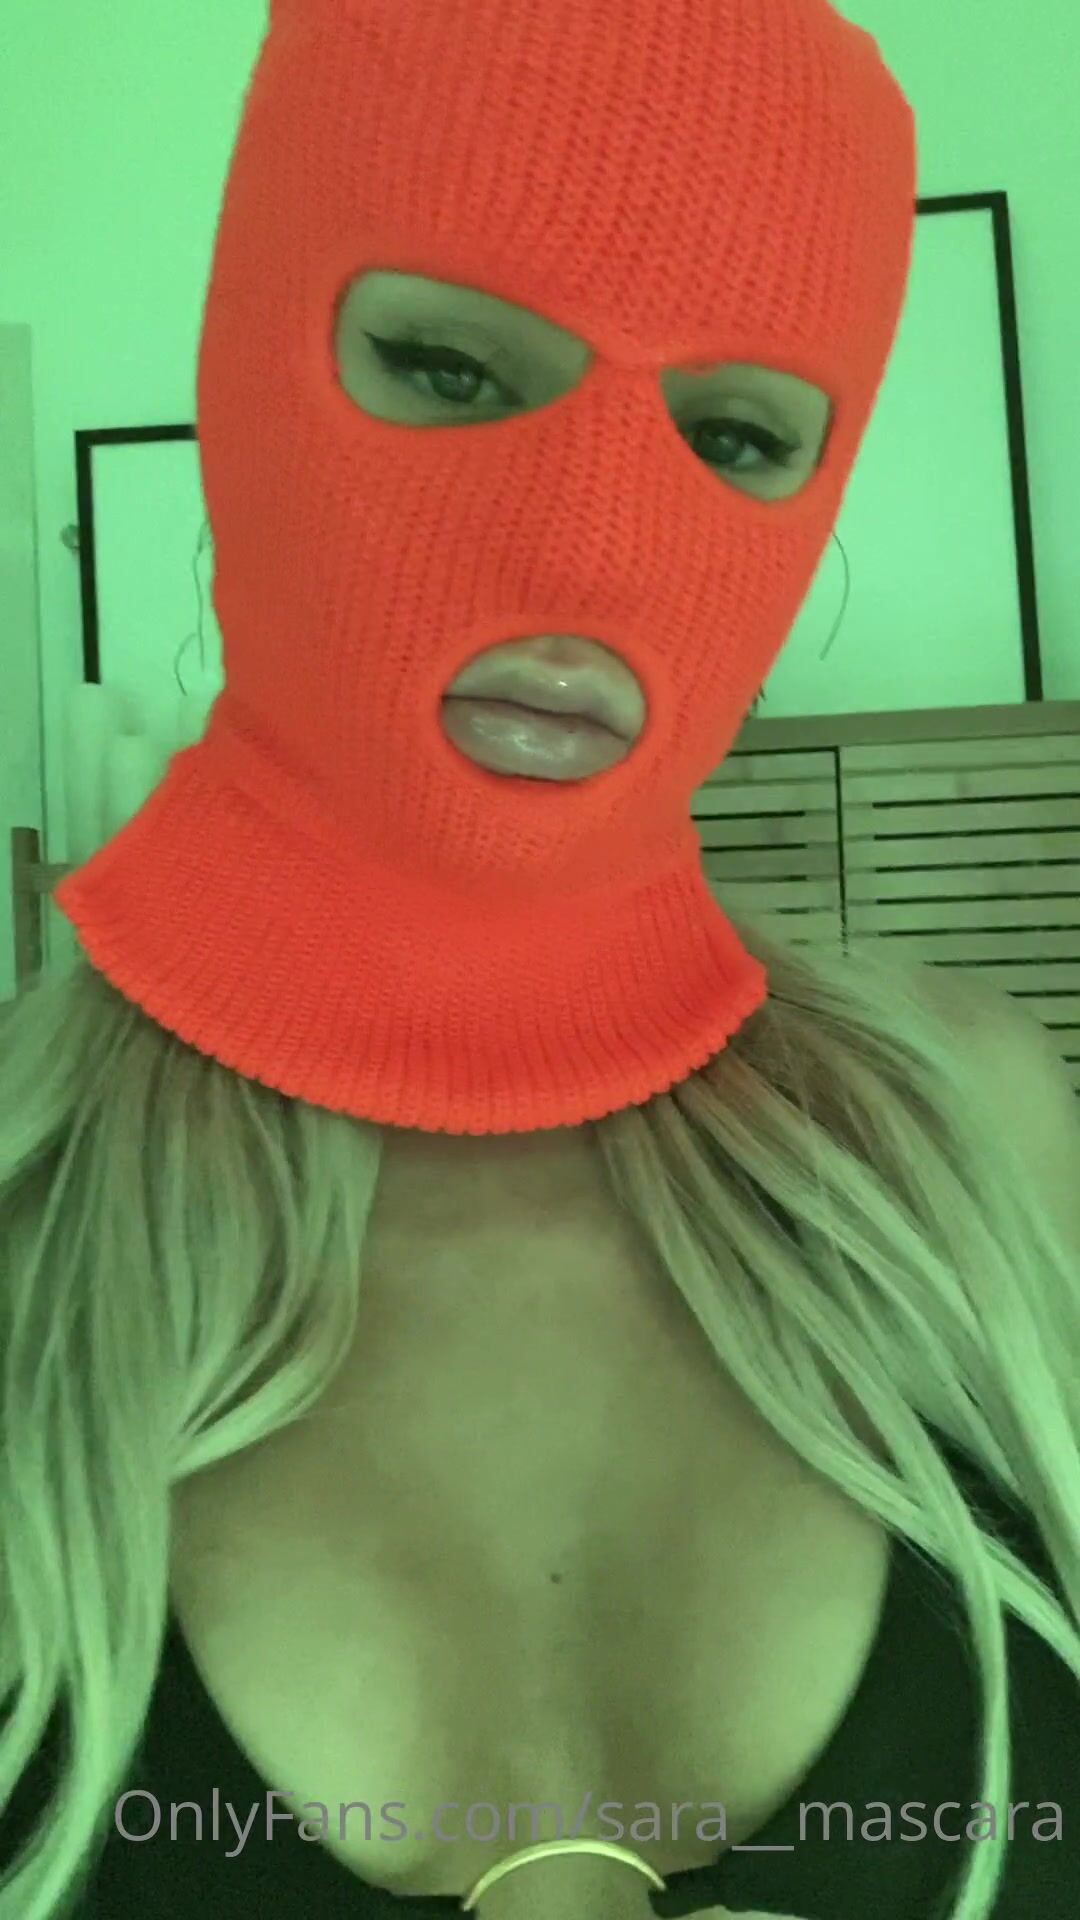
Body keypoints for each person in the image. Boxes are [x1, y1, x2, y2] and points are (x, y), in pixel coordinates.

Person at [2, 1, 1078, 1917]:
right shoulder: (25, 1215)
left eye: (732, 432)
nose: (587, 547)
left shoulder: (980, 1152)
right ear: (245, 355)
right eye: (451, 368)